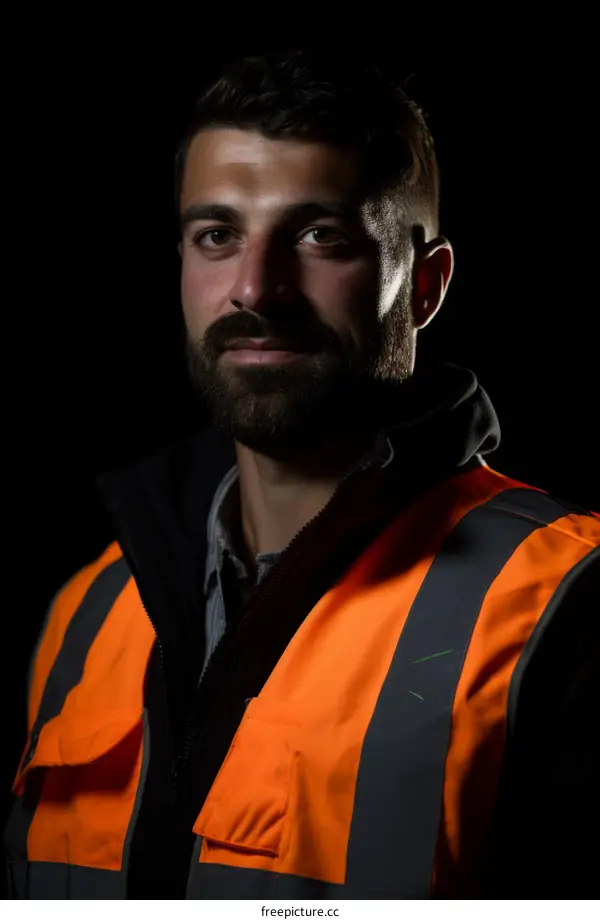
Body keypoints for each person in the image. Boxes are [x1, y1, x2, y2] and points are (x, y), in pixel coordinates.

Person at [4, 48, 599, 900]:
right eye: (218, 236)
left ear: (424, 286)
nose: (256, 287)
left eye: (321, 236)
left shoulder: (565, 602)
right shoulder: (86, 611)